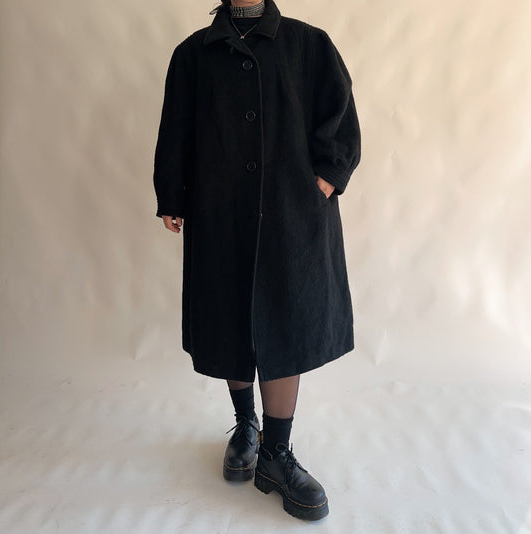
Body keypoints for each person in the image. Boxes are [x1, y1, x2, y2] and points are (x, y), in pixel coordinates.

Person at [153, 0, 361, 521]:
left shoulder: (308, 44)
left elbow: (339, 114)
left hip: (292, 216)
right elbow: (176, 128)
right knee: (230, 318)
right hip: (220, 213)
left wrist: (324, 179)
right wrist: (173, 194)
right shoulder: (192, 55)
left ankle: (276, 452)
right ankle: (246, 426)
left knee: (286, 321)